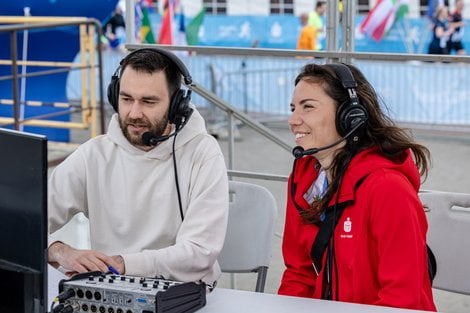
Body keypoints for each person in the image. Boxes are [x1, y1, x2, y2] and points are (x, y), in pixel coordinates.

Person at [47, 48, 229, 286]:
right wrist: (59, 250)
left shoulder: (203, 153)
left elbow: (199, 252)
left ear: (177, 105)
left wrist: (123, 264)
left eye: (148, 101)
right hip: (109, 292)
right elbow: (25, 220)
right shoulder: (93, 154)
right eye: (126, 99)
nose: (134, 113)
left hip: (183, 294)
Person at [278, 62, 436, 311]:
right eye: (293, 108)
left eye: (308, 107)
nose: (292, 120)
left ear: (350, 116)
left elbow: (403, 298)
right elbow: (299, 274)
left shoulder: (387, 188)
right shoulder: (303, 179)